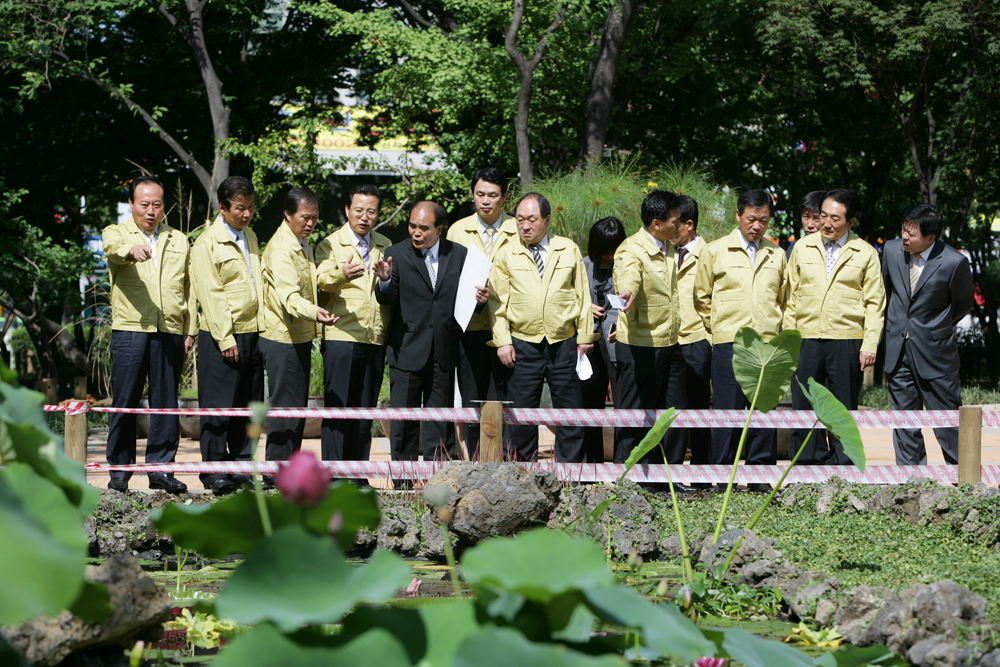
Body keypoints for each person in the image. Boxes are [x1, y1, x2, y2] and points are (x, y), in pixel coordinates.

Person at [374, 201, 489, 465]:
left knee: (440, 419)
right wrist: (385, 280)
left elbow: (467, 301)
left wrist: (480, 300)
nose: (416, 232)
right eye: (412, 225)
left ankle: (439, 476)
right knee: (404, 418)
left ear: (439, 229)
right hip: (407, 348)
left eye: (423, 228)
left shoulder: (459, 255)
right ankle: (404, 478)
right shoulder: (395, 253)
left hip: (444, 349)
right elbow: (387, 299)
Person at [102, 175, 196, 493]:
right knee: (125, 401)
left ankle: (161, 470)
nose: (151, 210)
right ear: (131, 204)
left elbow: (189, 288)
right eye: (144, 204)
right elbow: (113, 250)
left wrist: (189, 330)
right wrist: (132, 250)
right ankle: (119, 469)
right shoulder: (116, 233)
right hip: (130, 329)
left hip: (170, 330)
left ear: (164, 206)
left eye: (157, 204)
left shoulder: (179, 239)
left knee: (166, 403)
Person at [488, 192, 598, 462]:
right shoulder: (506, 254)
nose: (525, 226)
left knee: (569, 414)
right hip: (523, 343)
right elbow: (496, 302)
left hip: (564, 342)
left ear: (547, 220)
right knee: (521, 416)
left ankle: (572, 477)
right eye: (520, 220)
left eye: (532, 220)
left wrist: (585, 336)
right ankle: (522, 475)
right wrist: (502, 341)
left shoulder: (567, 248)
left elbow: (583, 296)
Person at [694, 188, 788, 490]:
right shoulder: (716, 250)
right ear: (738, 215)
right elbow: (701, 296)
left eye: (763, 220)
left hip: (766, 345)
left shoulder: (777, 253)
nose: (757, 226)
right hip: (729, 343)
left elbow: (783, 299)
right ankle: (724, 479)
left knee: (763, 412)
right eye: (751, 219)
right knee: (728, 413)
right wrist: (721, 327)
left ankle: (761, 478)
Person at [784, 189, 885, 465]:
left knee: (842, 410)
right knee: (803, 407)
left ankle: (844, 471)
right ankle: (802, 470)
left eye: (835, 218)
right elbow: (790, 297)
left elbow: (875, 304)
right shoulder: (802, 247)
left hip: (846, 340)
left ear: (850, 223)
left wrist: (870, 344)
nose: (827, 223)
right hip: (806, 339)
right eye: (824, 215)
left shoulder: (865, 253)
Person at [189, 176, 265, 495]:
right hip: (222, 336)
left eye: (250, 208)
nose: (246, 214)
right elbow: (211, 294)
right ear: (223, 208)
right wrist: (225, 337)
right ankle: (214, 470)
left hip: (253, 333)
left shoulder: (251, 236)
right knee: (219, 406)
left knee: (248, 405)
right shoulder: (207, 243)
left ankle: (243, 466)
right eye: (239, 209)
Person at [882, 203, 974, 465]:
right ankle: (912, 481)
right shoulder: (890, 250)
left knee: (946, 421)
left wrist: (934, 328)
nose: (904, 237)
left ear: (931, 238)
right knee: (904, 421)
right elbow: (888, 292)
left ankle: (963, 479)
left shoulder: (954, 262)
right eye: (903, 230)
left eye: (912, 234)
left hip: (936, 353)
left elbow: (962, 305)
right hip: (897, 349)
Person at [260, 187, 337, 475]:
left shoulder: (301, 242)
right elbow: (289, 297)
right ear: (288, 214)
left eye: (315, 218)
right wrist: (315, 313)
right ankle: (274, 473)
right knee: (285, 411)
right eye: (305, 217)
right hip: (283, 338)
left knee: (295, 409)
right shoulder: (282, 248)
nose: (311, 224)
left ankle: (286, 471)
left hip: (300, 335)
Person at [315, 185, 391, 466]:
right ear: (347, 210)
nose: (364, 217)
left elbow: (390, 288)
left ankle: (357, 474)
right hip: (342, 336)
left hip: (374, 338)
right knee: (339, 411)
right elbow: (321, 281)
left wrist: (386, 280)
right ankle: (334, 475)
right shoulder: (330, 244)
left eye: (371, 211)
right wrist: (341, 274)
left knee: (364, 412)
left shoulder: (383, 244)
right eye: (358, 210)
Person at [446, 167, 518, 455]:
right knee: (473, 397)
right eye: (480, 194)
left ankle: (510, 460)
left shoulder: (518, 228)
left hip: (510, 330)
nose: (485, 201)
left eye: (492, 195)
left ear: (504, 197)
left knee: (508, 398)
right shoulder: (457, 230)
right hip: (471, 328)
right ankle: (477, 459)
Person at [613, 191, 687, 466]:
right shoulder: (631, 249)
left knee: (674, 412)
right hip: (639, 345)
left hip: (669, 342)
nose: (679, 225)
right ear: (657, 223)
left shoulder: (668, 247)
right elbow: (629, 274)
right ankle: (629, 479)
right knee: (634, 415)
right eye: (676, 221)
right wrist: (627, 292)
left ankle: (669, 476)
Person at [672, 194, 712, 476]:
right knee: (672, 410)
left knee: (699, 408)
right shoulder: (665, 252)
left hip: (698, 339)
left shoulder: (711, 254)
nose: (668, 229)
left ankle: (701, 473)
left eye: (674, 224)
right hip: (669, 340)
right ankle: (671, 472)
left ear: (689, 224)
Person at [581, 216, 626, 463]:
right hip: (589, 343)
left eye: (614, 250)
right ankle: (592, 465)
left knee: (623, 405)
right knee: (589, 404)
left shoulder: (628, 265)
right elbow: (570, 298)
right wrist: (585, 306)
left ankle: (623, 464)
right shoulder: (584, 265)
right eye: (605, 252)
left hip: (618, 343)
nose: (610, 256)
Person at [787, 190, 825, 258]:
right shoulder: (794, 249)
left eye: (816, 218)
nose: (810, 225)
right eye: (806, 217)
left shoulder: (834, 250)